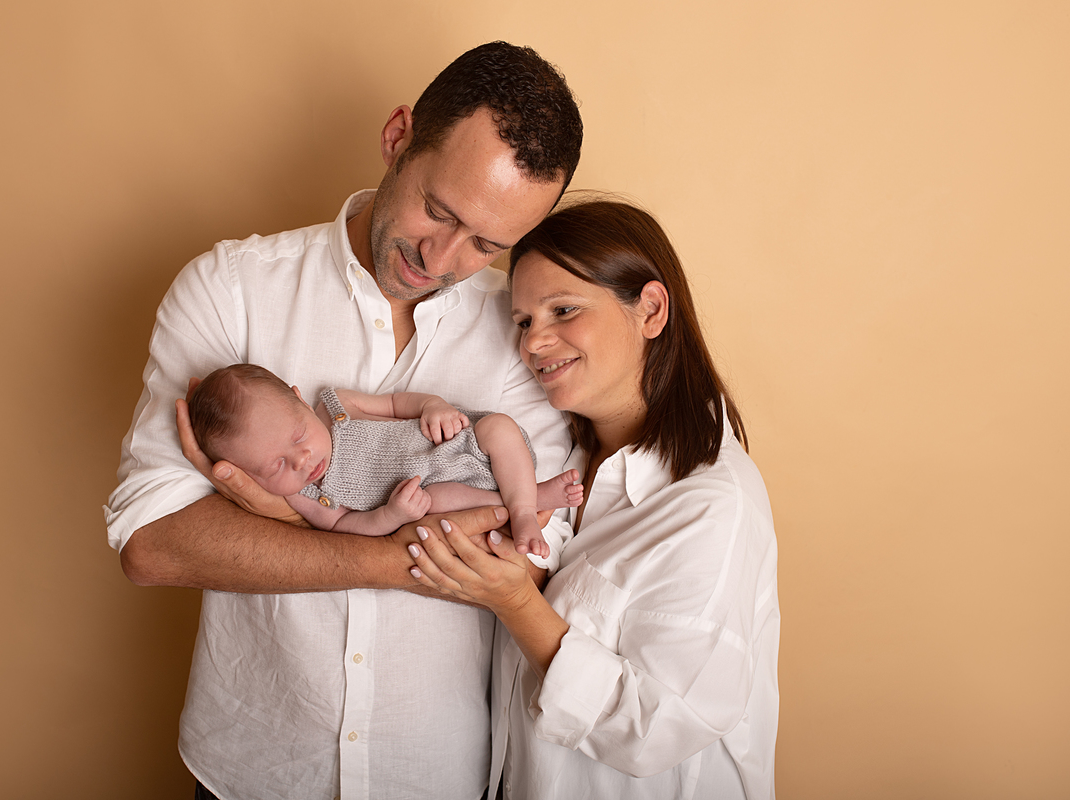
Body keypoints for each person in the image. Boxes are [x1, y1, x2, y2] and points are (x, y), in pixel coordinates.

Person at [104, 42, 584, 800]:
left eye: (488, 242)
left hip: (433, 774)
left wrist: (277, 516)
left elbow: (525, 557)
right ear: (397, 138)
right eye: (440, 209)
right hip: (253, 769)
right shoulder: (230, 291)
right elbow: (155, 543)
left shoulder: (531, 332)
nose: (444, 255)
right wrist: (398, 555)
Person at [408, 200, 780, 799]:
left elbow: (655, 731)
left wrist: (514, 603)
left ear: (651, 309)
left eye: (564, 310)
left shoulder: (713, 506)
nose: (536, 342)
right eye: (524, 320)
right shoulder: (562, 464)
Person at [187, 363, 582, 552]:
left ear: (297, 397)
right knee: (439, 503)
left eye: (298, 436)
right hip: (430, 492)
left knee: (498, 426)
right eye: (274, 466)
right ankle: (529, 502)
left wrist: (433, 406)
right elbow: (343, 526)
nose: (302, 460)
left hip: (460, 445)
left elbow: (396, 404)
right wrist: (390, 516)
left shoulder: (338, 406)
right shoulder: (302, 496)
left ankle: (525, 506)